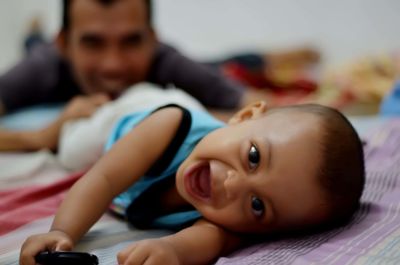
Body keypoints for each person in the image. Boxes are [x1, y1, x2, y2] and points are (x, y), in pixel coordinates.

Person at [19, 101, 365, 265]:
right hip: (121, 125)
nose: (232, 186)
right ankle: (64, 118)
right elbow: (104, 179)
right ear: (244, 115)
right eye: (254, 157)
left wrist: (170, 251)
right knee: (74, 148)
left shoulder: (229, 222)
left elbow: (203, 241)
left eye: (258, 205)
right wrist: (62, 232)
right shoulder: (169, 126)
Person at [0, 0, 251, 150]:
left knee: (230, 63)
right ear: (64, 44)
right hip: (41, 53)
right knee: (32, 44)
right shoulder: (44, 65)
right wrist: (39, 137)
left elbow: (259, 108)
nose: (113, 65)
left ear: (152, 40)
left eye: (131, 41)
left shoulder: (165, 60)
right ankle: (33, 32)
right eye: (93, 43)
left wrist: (174, 116)